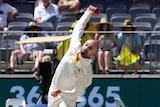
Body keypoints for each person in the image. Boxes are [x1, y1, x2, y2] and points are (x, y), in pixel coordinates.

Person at [48, 5, 99, 107]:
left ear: (94, 54)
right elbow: (78, 28)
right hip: (53, 90)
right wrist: (88, 13)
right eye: (86, 45)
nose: (86, 48)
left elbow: (76, 92)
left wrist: (61, 92)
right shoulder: (75, 47)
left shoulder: (87, 72)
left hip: (68, 98)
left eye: (90, 48)